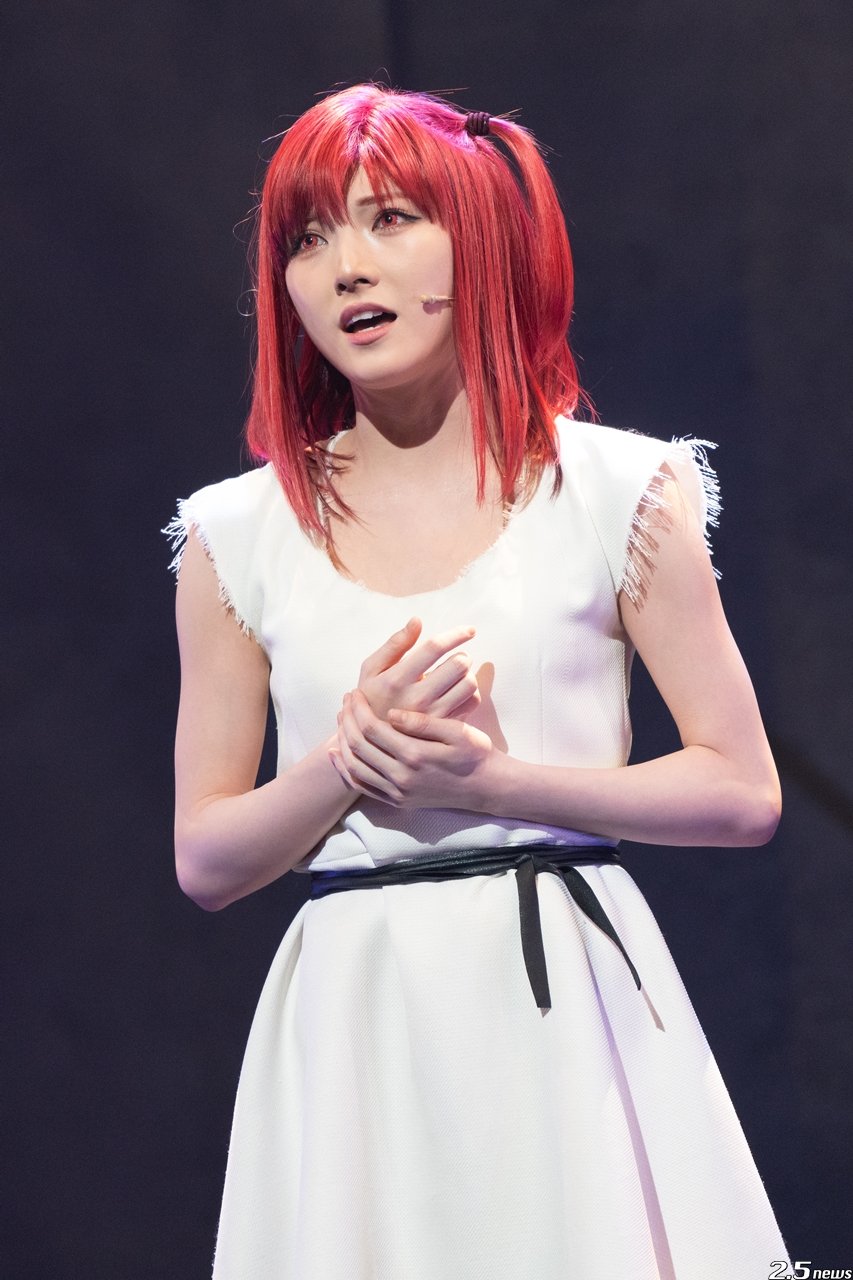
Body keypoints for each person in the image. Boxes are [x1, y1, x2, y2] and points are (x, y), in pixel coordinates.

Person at [166, 83, 790, 1279]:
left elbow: (741, 789)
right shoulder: (236, 536)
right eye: (309, 238)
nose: (348, 267)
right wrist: (344, 764)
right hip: (357, 1027)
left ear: (478, 241)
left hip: (564, 1008)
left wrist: (500, 783)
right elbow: (206, 855)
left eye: (391, 219)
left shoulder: (618, 492)